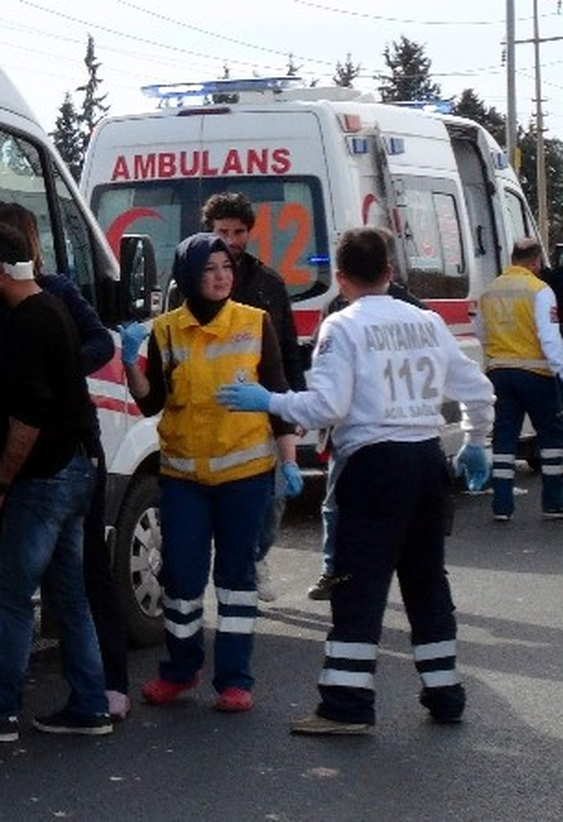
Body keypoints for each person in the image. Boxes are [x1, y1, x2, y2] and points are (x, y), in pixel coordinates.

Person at [218, 225, 495, 734]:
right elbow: (476, 387)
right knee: (427, 580)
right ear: (390, 272)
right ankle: (445, 692)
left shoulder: (342, 327)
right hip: (426, 460)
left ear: (340, 278)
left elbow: (327, 406)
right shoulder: (427, 322)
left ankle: (346, 705)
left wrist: (270, 401)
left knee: (356, 585)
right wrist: (477, 441)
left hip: (373, 464)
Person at [0, 202, 131, 719]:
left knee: (11, 596)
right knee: (68, 597)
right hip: (74, 468)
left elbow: (32, 412)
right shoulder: (49, 309)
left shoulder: (31, 319)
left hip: (44, 477)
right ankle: (90, 705)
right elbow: (37, 386)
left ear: (2, 269)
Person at [120, 232, 301, 714]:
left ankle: (235, 680)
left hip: (245, 473)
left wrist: (289, 462)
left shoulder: (254, 322)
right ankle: (181, 671)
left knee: (235, 577)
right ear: (188, 276)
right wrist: (128, 364)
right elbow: (151, 402)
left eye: (226, 267)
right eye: (209, 269)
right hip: (182, 476)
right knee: (179, 577)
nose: (221, 276)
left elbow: (279, 396)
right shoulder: (165, 330)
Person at [201, 192, 307, 602]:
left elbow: (287, 349)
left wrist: (295, 403)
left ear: (250, 232)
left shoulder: (268, 283)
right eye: (222, 231)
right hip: (214, 408)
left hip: (267, 407)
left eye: (238, 232)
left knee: (273, 503)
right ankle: (235, 564)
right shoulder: (190, 281)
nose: (230, 239)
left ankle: (253, 555)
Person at [307, 278, 426, 602]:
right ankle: (334, 571)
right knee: (336, 504)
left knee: (356, 507)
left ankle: (362, 577)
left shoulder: (408, 307)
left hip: (375, 429)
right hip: (353, 428)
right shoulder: (337, 305)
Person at [475, 237, 563, 522]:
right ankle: (553, 502)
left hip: (499, 373)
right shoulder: (540, 290)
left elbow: (481, 333)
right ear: (536, 262)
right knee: (551, 439)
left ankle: (502, 506)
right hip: (536, 375)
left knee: (504, 439)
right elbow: (550, 339)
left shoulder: (488, 292)